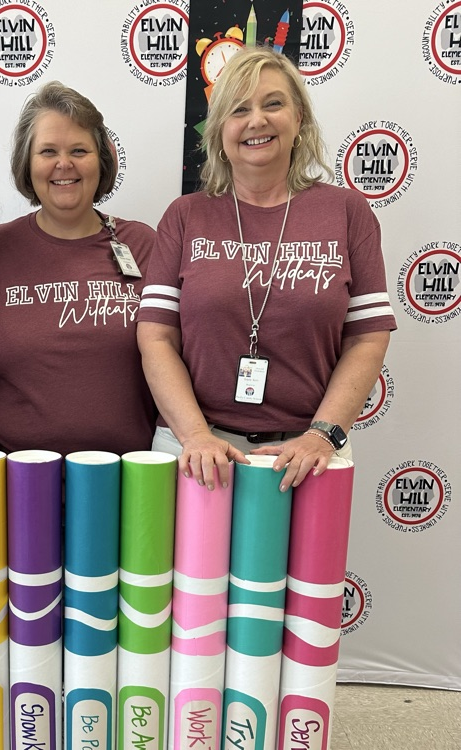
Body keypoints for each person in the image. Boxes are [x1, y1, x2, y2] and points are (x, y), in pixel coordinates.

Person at [137, 47, 396, 492]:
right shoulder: (185, 216)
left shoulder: (347, 212)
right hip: (195, 452)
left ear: (299, 119)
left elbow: (368, 338)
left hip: (308, 455)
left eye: (273, 103)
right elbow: (156, 337)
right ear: (219, 132)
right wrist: (196, 435)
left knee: (305, 567)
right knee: (187, 568)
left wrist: (323, 435)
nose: (256, 120)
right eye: (239, 109)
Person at [0, 81, 157, 456]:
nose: (64, 164)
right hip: (15, 481)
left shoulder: (144, 245)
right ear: (28, 162)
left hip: (129, 479)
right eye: (48, 151)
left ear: (101, 160)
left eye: (79, 150)